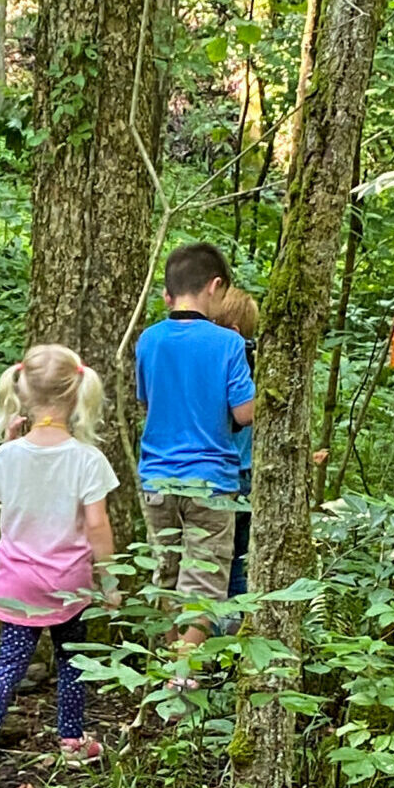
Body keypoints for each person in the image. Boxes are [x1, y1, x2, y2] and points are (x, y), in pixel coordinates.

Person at [0, 346, 119, 788]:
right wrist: (110, 580)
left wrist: (7, 447)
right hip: (68, 582)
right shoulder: (88, 459)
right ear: (77, 395)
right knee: (72, 659)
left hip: (17, 581)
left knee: (8, 664)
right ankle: (71, 741)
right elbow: (97, 524)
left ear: (24, 394)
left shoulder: (10, 455)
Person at [134, 242, 255, 659]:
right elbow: (244, 413)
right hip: (212, 481)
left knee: (166, 574)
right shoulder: (228, 344)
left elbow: (147, 401)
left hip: (156, 478)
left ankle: (171, 665)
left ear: (168, 295)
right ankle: (182, 675)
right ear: (215, 287)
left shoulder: (149, 340)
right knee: (205, 578)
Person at [211, 285, 259, 599]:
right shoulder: (254, 365)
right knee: (236, 562)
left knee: (214, 565)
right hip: (244, 473)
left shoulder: (231, 364)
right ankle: (236, 632)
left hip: (226, 476)